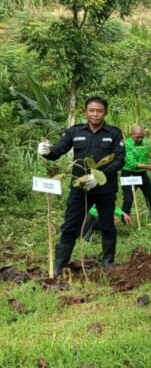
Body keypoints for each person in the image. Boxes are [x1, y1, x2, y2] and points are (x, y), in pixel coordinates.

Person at [37, 97, 125, 274]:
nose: (95, 114)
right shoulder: (75, 131)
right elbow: (57, 152)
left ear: (105, 113)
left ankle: (108, 262)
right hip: (79, 189)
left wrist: (99, 176)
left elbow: (120, 160)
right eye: (91, 110)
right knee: (70, 225)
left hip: (105, 189)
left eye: (99, 111)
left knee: (107, 224)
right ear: (86, 112)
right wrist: (46, 151)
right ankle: (60, 265)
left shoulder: (114, 133)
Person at [121, 125, 151, 222]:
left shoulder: (144, 143)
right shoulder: (126, 145)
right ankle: (124, 220)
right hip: (128, 173)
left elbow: (149, 154)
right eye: (137, 136)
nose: (140, 139)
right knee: (128, 199)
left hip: (141, 174)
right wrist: (149, 167)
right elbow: (131, 163)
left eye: (142, 136)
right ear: (131, 134)